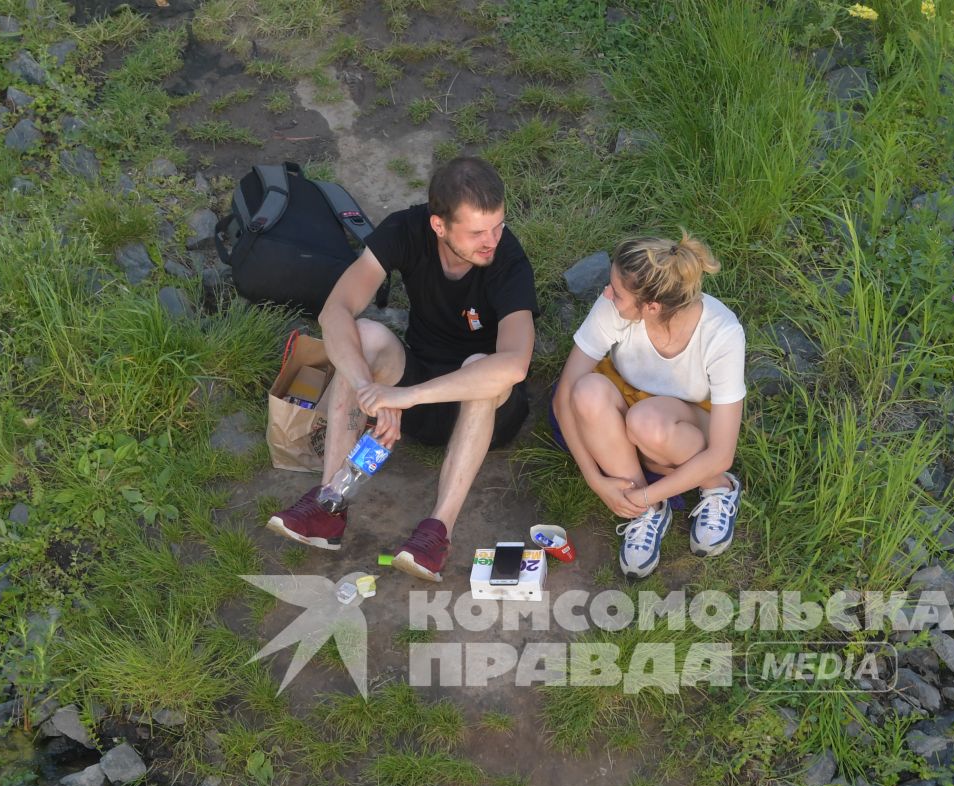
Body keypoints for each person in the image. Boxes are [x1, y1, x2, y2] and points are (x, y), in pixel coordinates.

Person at [267, 157, 537, 582]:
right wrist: (367, 388)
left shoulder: (508, 260)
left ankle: (436, 533)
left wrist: (403, 397)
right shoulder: (406, 230)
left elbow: (516, 364)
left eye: (498, 226)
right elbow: (335, 310)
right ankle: (329, 503)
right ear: (439, 226)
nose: (493, 240)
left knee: (484, 367)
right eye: (478, 231)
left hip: (485, 409)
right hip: (420, 388)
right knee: (367, 334)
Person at [549, 234, 745, 579]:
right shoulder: (612, 309)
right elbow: (565, 393)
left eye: (617, 292)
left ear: (651, 307)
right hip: (628, 393)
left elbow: (722, 451)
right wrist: (595, 481)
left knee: (646, 422)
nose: (607, 294)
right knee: (585, 392)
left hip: (684, 418)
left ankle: (717, 488)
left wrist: (647, 491)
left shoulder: (722, 333)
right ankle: (647, 510)